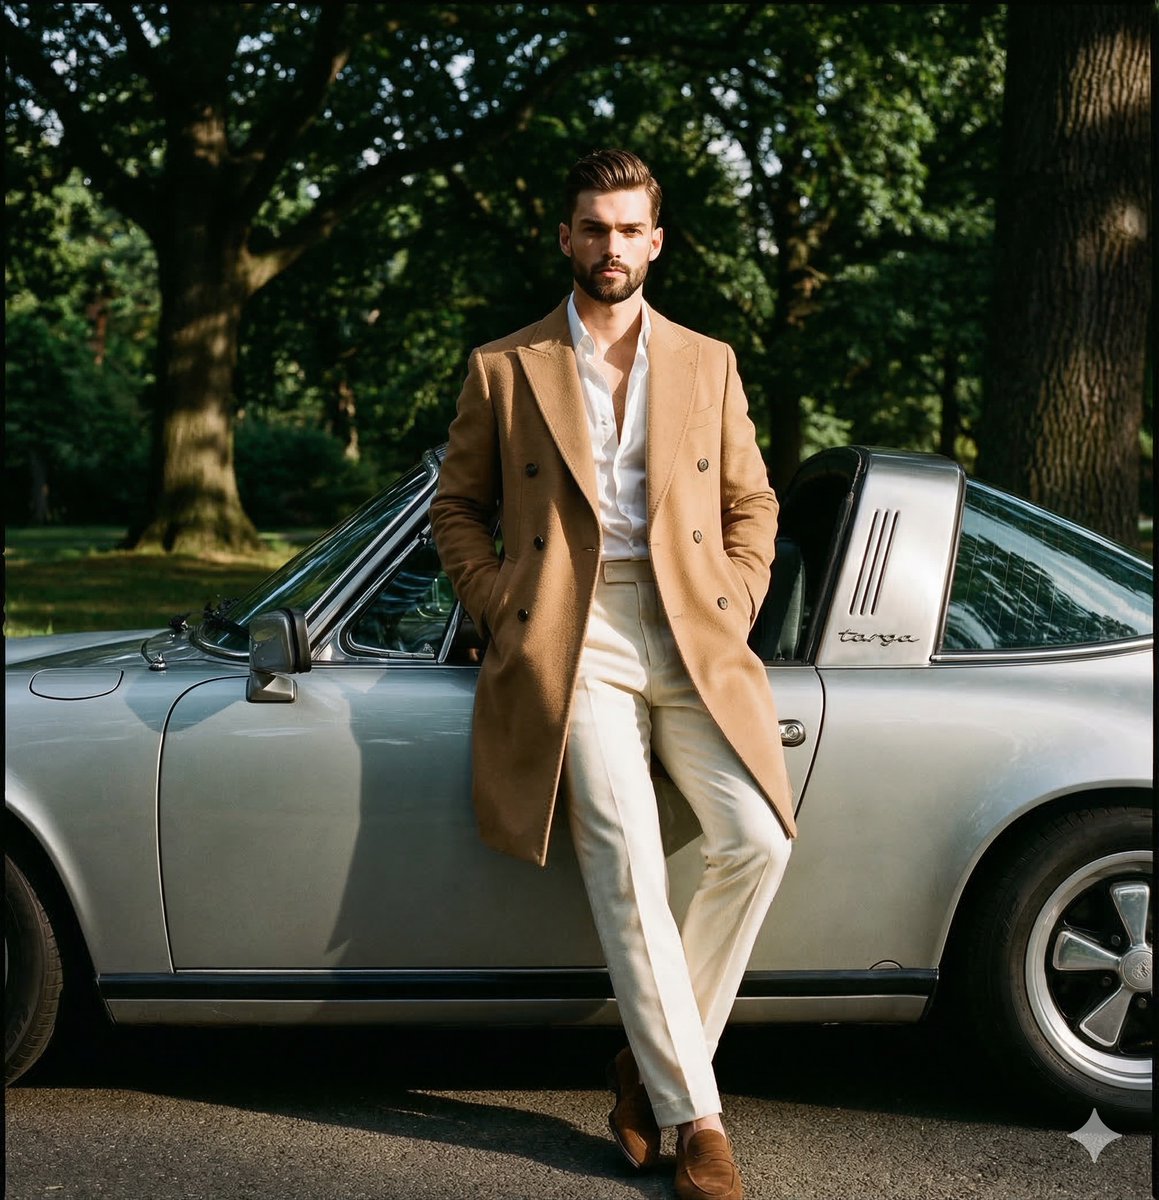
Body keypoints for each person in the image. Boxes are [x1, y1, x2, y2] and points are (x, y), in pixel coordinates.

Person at [430, 148, 796, 1200]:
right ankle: (700, 1121)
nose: (611, 247)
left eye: (630, 229)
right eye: (593, 227)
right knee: (626, 858)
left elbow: (753, 502)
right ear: (565, 237)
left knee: (755, 840)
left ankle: (645, 1061)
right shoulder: (506, 365)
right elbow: (456, 506)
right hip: (570, 634)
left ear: (657, 241)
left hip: (689, 629)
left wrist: (735, 597)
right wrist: (501, 603)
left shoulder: (708, 360)